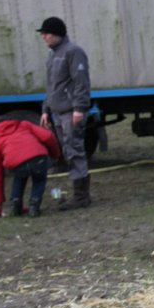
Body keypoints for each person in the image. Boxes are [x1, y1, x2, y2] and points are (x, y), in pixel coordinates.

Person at [37, 16, 92, 210]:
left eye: (47, 33)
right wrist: (45, 109)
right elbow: (52, 85)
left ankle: (81, 195)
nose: (44, 37)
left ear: (57, 34)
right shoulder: (52, 55)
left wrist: (79, 108)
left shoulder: (73, 52)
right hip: (57, 112)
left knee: (74, 150)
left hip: (70, 112)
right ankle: (79, 192)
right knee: (68, 151)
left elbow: (81, 82)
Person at [0, 114, 61, 217]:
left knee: (19, 178)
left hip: (17, 164)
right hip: (38, 158)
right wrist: (55, 154)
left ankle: (15, 204)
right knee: (39, 180)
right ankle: (34, 206)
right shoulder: (24, 125)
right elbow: (48, 136)